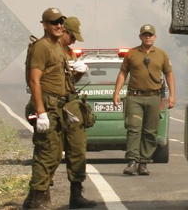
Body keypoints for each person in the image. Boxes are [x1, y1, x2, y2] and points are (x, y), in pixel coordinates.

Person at [22, 8, 71, 209]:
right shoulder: (42, 47)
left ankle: (33, 198)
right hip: (46, 105)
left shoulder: (58, 45)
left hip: (57, 106)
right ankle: (38, 200)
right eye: (53, 22)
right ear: (44, 25)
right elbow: (34, 81)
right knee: (47, 153)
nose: (58, 25)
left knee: (54, 153)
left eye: (60, 22)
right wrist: (41, 112)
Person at [112, 24, 175, 176]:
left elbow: (169, 75)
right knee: (134, 128)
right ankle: (132, 162)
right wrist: (116, 93)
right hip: (135, 97)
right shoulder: (132, 54)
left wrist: (172, 96)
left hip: (154, 97)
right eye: (145, 34)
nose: (147, 37)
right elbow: (123, 73)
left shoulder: (161, 54)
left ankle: (143, 162)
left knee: (150, 131)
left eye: (150, 34)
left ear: (155, 37)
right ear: (140, 36)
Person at [59, 16, 97, 208]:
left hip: (70, 104)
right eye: (72, 36)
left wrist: (79, 71)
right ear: (63, 31)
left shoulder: (69, 53)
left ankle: (76, 195)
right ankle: (38, 198)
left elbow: (71, 82)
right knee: (50, 153)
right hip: (52, 107)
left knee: (77, 150)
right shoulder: (47, 49)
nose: (74, 41)